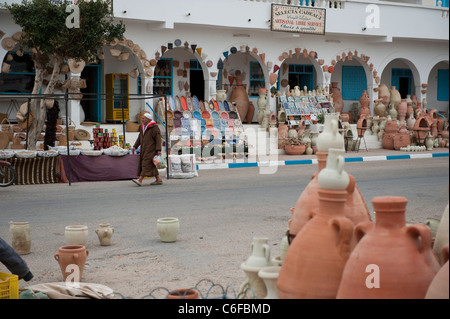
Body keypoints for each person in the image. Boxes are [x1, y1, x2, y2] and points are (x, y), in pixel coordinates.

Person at [132, 112, 163, 186]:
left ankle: (140, 180)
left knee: (145, 163)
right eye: (142, 118)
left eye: (144, 118)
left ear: (149, 119)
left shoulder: (154, 128)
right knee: (151, 164)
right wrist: (135, 146)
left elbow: (158, 139)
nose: (142, 120)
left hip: (151, 149)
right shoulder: (143, 127)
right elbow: (139, 138)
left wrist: (158, 149)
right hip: (144, 149)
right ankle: (158, 179)